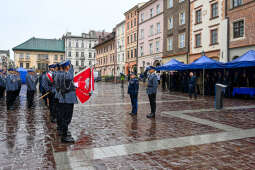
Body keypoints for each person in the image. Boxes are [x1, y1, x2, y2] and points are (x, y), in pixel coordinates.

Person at [57, 60, 78, 143]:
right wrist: (71, 68)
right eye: (69, 66)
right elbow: (70, 77)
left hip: (65, 98)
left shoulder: (61, 74)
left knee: (64, 116)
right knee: (67, 117)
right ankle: (64, 137)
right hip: (67, 99)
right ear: (67, 67)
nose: (70, 67)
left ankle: (64, 132)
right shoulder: (65, 74)